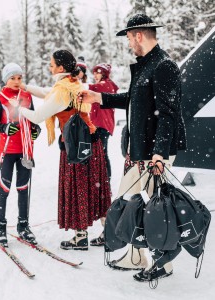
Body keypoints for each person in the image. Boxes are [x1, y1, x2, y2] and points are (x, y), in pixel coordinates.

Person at [79, 14, 187, 281]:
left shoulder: (164, 66)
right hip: (141, 150)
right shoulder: (147, 66)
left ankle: (163, 262)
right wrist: (99, 97)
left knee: (155, 208)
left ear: (139, 35)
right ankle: (137, 255)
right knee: (129, 200)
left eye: (129, 38)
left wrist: (159, 154)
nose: (129, 43)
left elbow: (168, 114)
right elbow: (134, 99)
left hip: (155, 153)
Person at [19, 49, 111, 251]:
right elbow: (49, 94)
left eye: (52, 64)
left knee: (79, 187)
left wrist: (18, 109)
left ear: (60, 67)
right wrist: (25, 87)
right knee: (96, 187)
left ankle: (80, 237)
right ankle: (108, 231)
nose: (49, 67)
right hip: (90, 141)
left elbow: (38, 116)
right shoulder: (73, 83)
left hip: (74, 145)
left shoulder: (62, 90)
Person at [0, 63, 41, 247]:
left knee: (23, 188)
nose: (16, 81)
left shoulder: (27, 96)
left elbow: (34, 120)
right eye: (12, 78)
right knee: (4, 187)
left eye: (19, 78)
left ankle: (23, 225)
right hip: (7, 150)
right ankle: (0, 226)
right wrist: (4, 128)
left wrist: (36, 130)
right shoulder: (0, 98)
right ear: (6, 79)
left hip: (25, 150)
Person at [87, 63, 119, 247]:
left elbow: (92, 90)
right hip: (100, 124)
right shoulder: (104, 86)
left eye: (99, 72)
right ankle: (104, 177)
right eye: (95, 73)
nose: (96, 75)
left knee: (102, 153)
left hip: (102, 126)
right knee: (101, 153)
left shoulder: (107, 85)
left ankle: (104, 178)